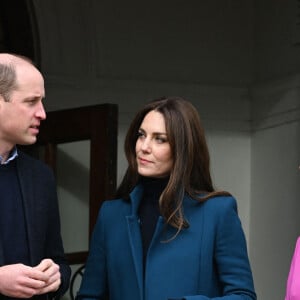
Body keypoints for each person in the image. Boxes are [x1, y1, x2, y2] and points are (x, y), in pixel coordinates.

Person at [76, 96, 256, 300]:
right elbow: (89, 296)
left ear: (183, 148)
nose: (144, 147)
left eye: (159, 139)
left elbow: (243, 295)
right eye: (141, 135)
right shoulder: (111, 214)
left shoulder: (217, 212)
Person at [0, 53, 71, 299]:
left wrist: (56, 276)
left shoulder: (41, 177)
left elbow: (58, 260)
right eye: (31, 101)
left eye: (41, 101)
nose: (42, 113)